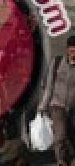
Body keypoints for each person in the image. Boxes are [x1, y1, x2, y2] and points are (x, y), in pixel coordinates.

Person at [45, 34, 75, 166]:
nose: (73, 52)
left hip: (73, 106)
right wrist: (42, 106)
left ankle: (70, 157)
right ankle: (61, 161)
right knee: (60, 135)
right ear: (67, 49)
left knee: (70, 135)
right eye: (71, 49)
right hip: (57, 104)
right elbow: (49, 86)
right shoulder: (57, 62)